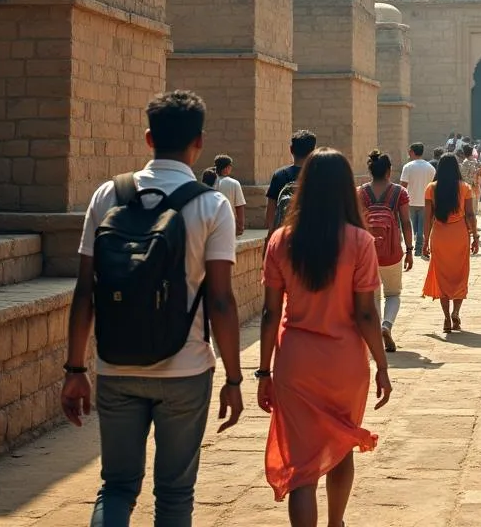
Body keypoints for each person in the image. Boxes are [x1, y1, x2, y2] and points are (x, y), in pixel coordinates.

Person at [61, 90, 243, 526]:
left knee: (118, 487)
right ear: (198, 142)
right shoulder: (212, 204)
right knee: (175, 494)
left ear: (148, 138)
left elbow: (85, 290)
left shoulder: (109, 194)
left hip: (116, 364)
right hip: (186, 368)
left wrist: (74, 370)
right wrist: (235, 378)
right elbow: (220, 299)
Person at [258, 148, 392, 527]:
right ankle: (336, 523)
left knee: (302, 468)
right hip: (344, 364)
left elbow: (270, 313)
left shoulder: (281, 241)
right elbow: (366, 313)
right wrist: (381, 365)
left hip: (296, 362)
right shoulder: (359, 242)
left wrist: (263, 372)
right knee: (342, 443)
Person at [359, 150, 413, 353]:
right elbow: (406, 222)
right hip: (392, 251)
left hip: (367, 252)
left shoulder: (361, 192)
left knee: (373, 295)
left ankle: (375, 332)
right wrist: (409, 249)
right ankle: (386, 325)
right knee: (393, 293)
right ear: (389, 171)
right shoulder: (399, 192)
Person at [422, 153, 480, 332]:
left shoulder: (431, 188)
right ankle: (456, 312)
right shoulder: (465, 188)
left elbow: (428, 218)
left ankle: (446, 317)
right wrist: (475, 236)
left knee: (443, 276)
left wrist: (425, 241)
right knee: (460, 274)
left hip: (439, 235)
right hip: (459, 234)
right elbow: (470, 215)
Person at [266, 130, 318, 238]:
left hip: (284, 237)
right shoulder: (320, 174)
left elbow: (271, 212)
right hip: (314, 236)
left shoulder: (280, 175)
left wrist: (271, 235)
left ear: (291, 149)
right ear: (314, 151)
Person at [399, 143, 434, 258]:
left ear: (413, 152)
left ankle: (418, 247)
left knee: (415, 225)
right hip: (425, 201)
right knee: (420, 226)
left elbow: (403, 185)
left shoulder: (408, 167)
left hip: (410, 200)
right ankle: (419, 244)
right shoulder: (430, 168)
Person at [214, 154, 247, 236]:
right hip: (228, 226)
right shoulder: (234, 183)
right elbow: (239, 206)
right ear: (227, 168)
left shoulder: (209, 182)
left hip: (211, 226)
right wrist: (241, 226)